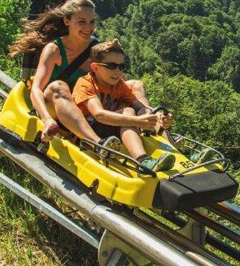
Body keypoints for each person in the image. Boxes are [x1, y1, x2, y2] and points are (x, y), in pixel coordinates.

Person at [8, 0, 151, 145]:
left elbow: (116, 79)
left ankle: (155, 130)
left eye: (92, 22)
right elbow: (37, 88)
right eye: (82, 21)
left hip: (88, 107)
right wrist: (47, 119)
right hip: (57, 106)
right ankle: (97, 143)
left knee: (135, 85)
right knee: (58, 86)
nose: (88, 27)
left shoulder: (96, 49)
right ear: (67, 21)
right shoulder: (54, 50)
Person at [72, 39, 175, 171]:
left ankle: (175, 151)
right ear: (95, 67)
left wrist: (159, 117)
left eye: (121, 67)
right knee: (128, 112)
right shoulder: (85, 84)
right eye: (111, 66)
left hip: (112, 127)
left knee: (144, 112)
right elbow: (99, 115)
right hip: (92, 132)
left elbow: (140, 107)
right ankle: (143, 161)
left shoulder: (119, 85)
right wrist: (136, 120)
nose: (118, 71)